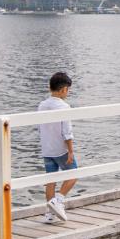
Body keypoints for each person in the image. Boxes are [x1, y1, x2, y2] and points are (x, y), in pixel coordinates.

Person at [38, 72, 78, 223]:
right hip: (60, 149)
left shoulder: (42, 105)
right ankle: (58, 200)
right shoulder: (64, 106)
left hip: (47, 148)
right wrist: (71, 151)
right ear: (63, 90)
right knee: (74, 174)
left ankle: (49, 214)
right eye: (68, 89)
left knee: (51, 180)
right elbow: (67, 132)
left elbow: (39, 127)